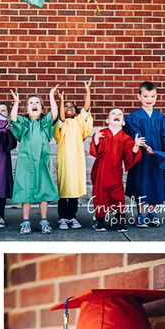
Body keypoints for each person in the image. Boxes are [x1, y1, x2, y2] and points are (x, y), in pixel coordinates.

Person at [124, 81, 165, 228]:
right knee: (141, 184)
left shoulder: (160, 117)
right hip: (141, 158)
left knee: (155, 184)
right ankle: (141, 215)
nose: (149, 99)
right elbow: (134, 134)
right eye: (146, 96)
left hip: (157, 157)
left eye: (152, 96)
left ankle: (152, 214)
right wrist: (145, 146)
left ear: (156, 97)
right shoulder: (133, 117)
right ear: (139, 96)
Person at [9, 87, 59, 234]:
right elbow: (13, 118)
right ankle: (25, 221)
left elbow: (55, 113)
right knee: (26, 190)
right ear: (27, 109)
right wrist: (16, 102)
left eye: (37, 102)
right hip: (25, 162)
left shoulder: (45, 122)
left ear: (42, 109)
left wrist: (51, 96)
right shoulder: (24, 122)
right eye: (31, 102)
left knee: (43, 189)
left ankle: (44, 220)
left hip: (41, 161)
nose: (34, 104)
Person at [89, 108, 143, 231]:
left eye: (120, 114)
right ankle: (99, 220)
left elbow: (130, 155)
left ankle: (120, 220)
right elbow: (96, 152)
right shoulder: (101, 134)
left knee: (118, 196)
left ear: (123, 122)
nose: (117, 115)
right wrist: (96, 140)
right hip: (101, 171)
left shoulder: (126, 138)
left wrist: (135, 146)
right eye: (113, 113)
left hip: (115, 171)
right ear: (108, 120)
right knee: (100, 195)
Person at [54, 81, 93, 230]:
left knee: (74, 188)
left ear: (76, 111)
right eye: (66, 106)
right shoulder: (60, 123)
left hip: (77, 159)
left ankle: (72, 216)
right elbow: (62, 119)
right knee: (64, 187)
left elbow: (86, 109)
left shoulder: (78, 122)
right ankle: (62, 217)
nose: (68, 108)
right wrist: (61, 101)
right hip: (64, 159)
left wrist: (88, 92)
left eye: (71, 106)